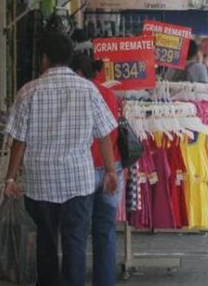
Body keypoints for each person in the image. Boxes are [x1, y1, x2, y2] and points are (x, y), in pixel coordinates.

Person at [3, 32, 118, 286]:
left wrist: (10, 178)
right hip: (78, 182)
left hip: (40, 183)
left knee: (45, 243)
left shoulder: (28, 92)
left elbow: (19, 142)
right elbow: (103, 135)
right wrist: (110, 171)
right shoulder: (88, 90)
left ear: (44, 58)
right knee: (75, 243)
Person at [69, 53, 123, 286]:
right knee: (105, 229)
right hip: (112, 167)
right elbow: (112, 132)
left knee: (77, 231)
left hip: (85, 168)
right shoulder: (108, 94)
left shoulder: (78, 94)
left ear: (78, 73)